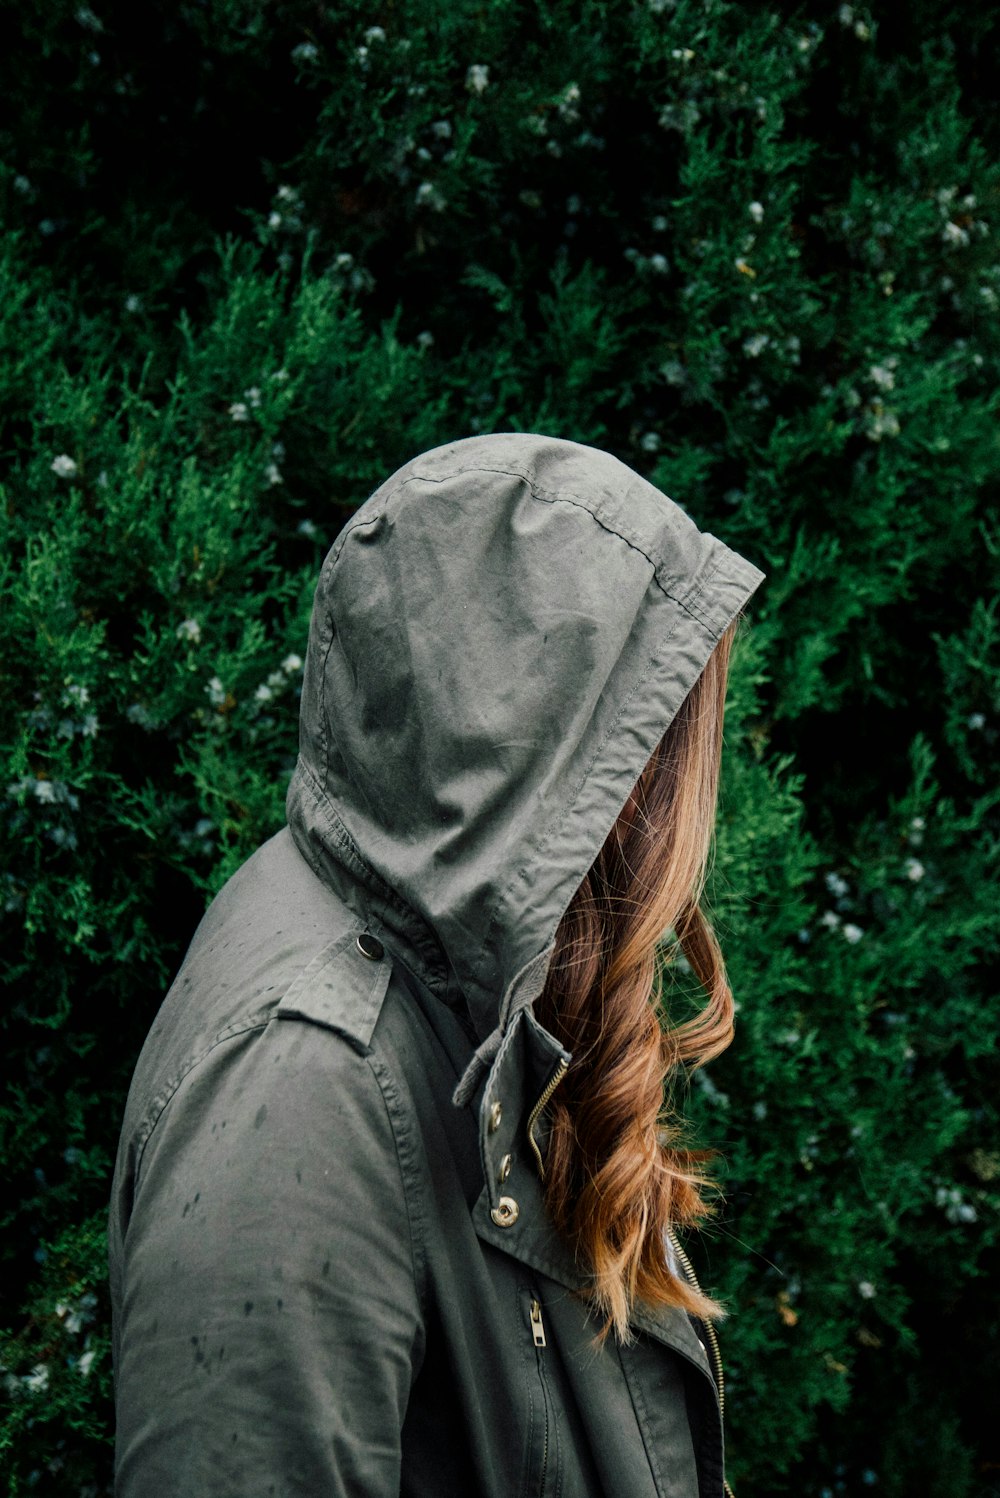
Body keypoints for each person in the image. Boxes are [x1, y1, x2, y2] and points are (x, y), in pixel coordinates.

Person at [108, 432, 765, 1497]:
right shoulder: (307, 1088)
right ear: (544, 758)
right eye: (647, 735)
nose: (684, 798)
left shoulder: (471, 971)